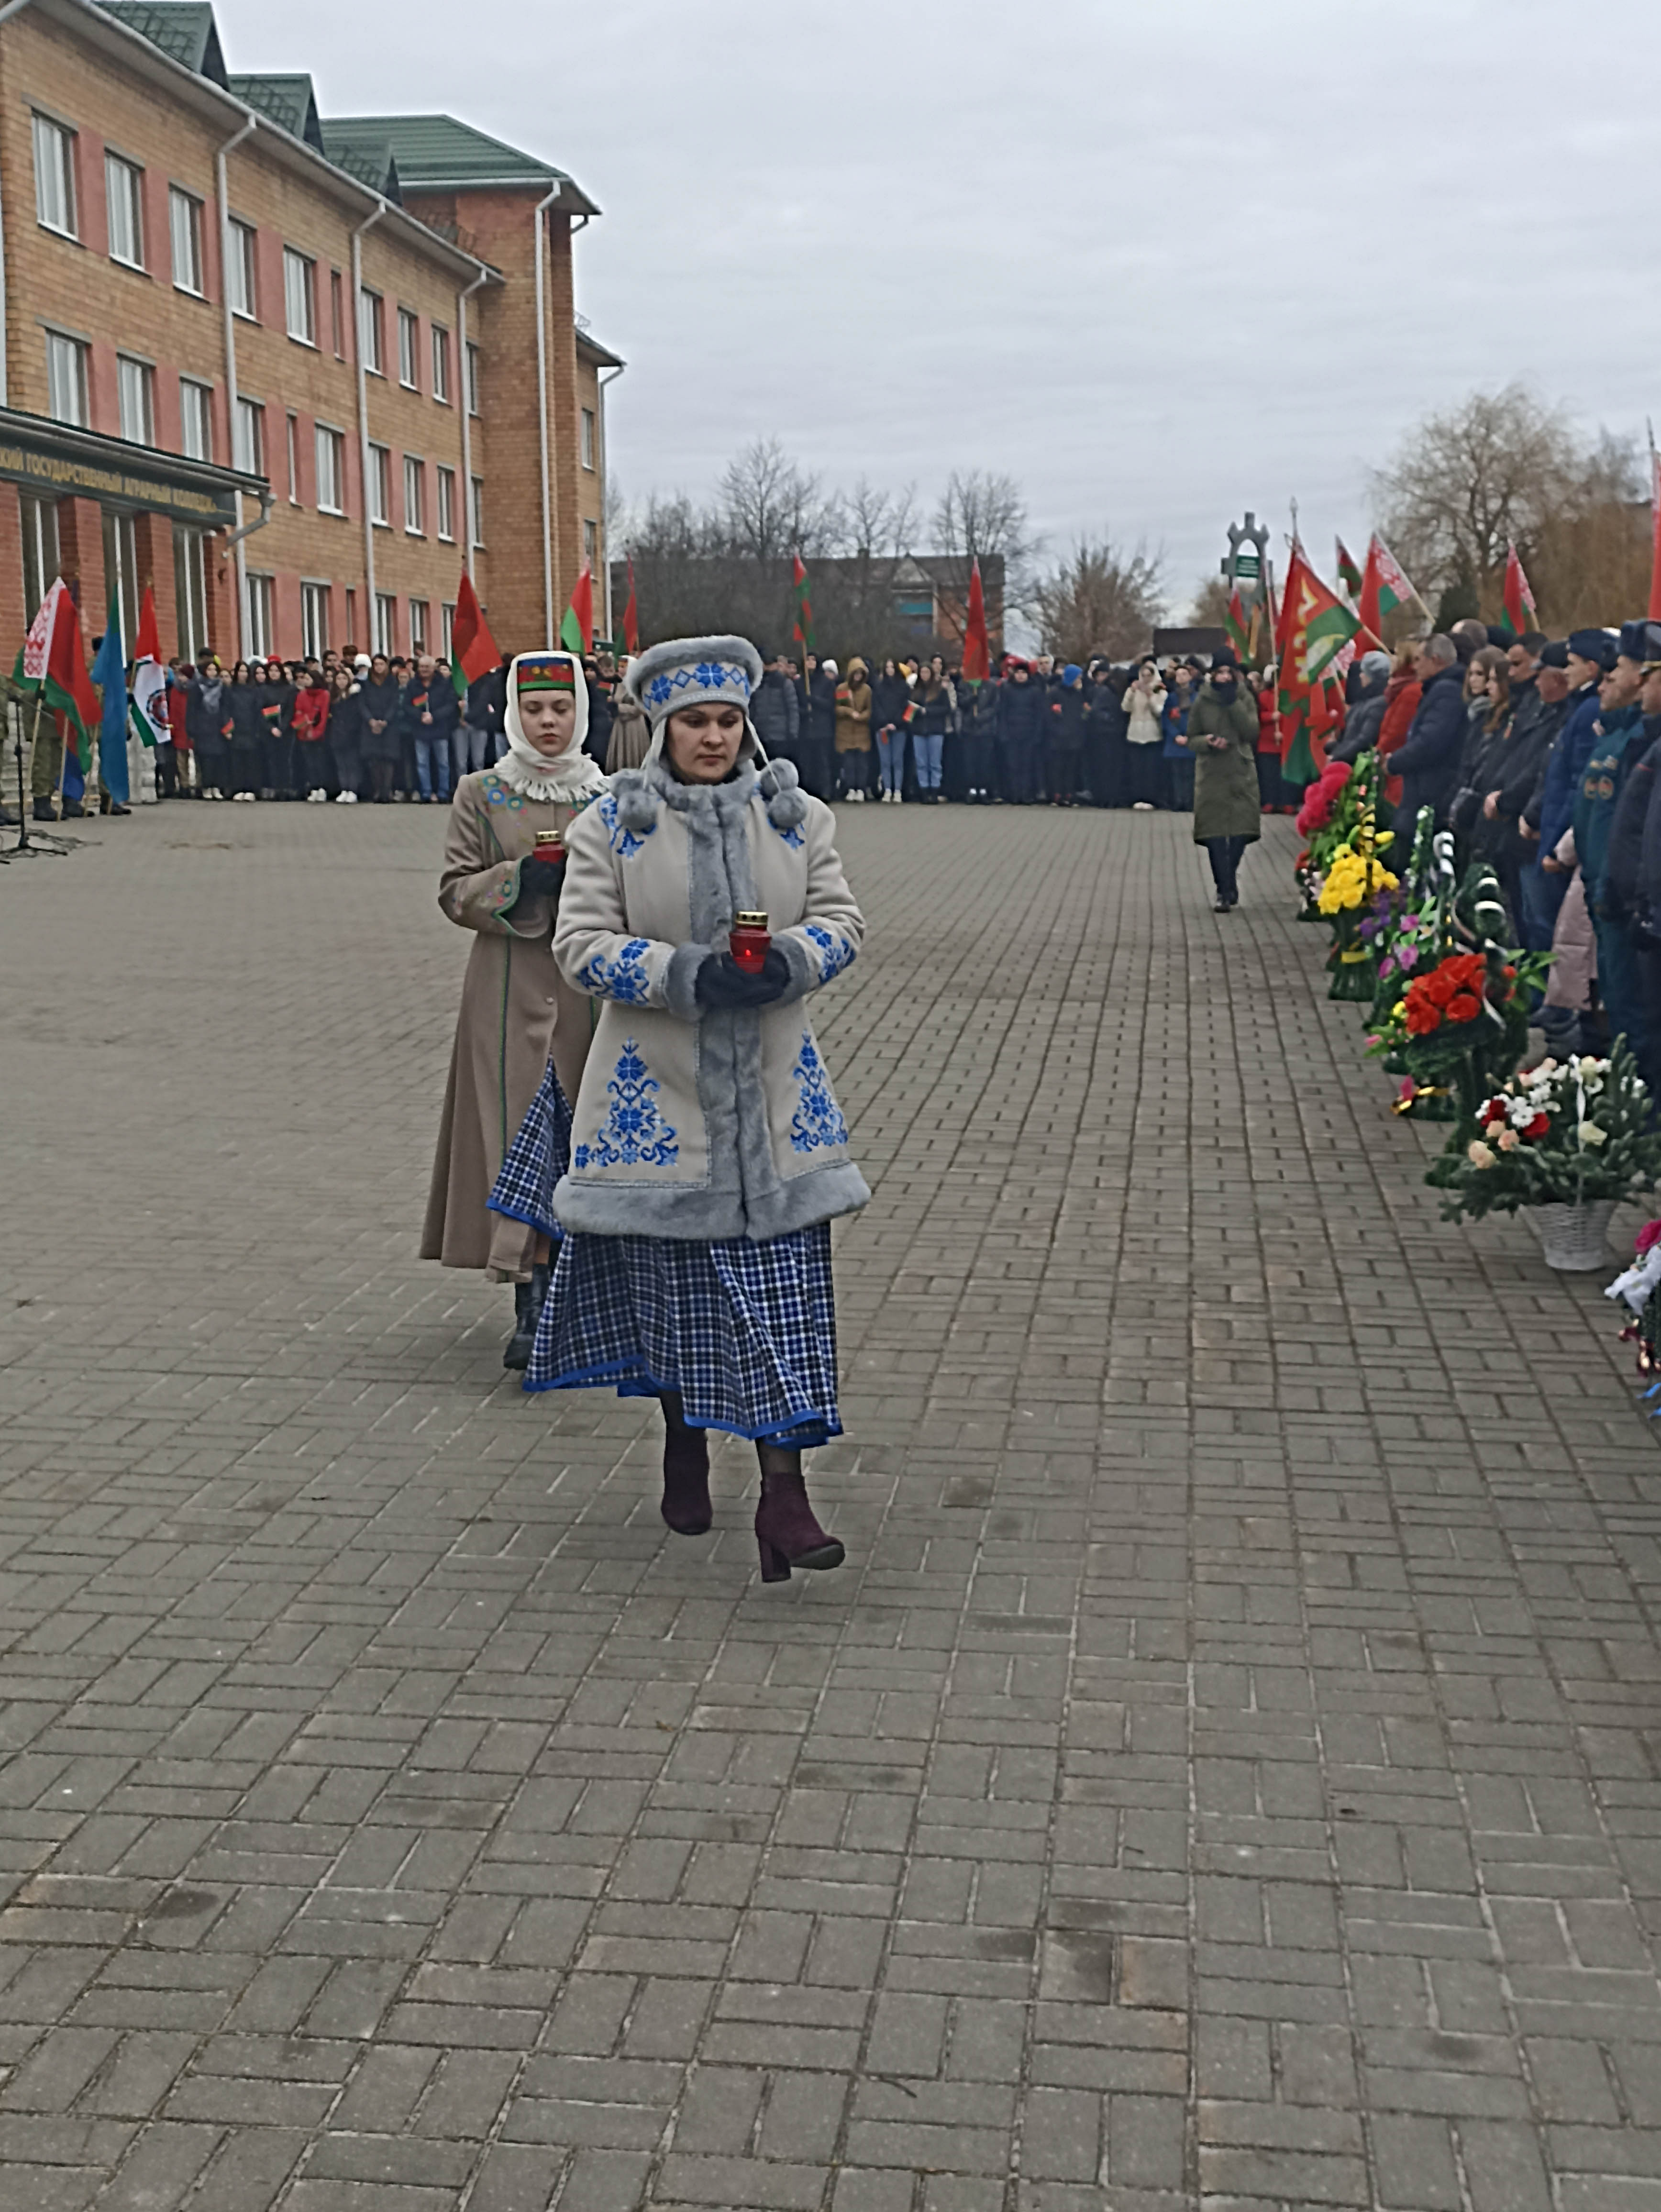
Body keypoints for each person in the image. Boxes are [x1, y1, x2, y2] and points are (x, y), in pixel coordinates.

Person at [529, 634, 867, 1580]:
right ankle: (683, 1432)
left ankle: (784, 1493)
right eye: (694, 722)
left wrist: (793, 964)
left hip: (774, 1108)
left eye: (726, 720)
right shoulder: (615, 823)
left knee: (783, 1307)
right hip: (660, 1101)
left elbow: (843, 920)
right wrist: (683, 973)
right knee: (683, 1299)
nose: (712, 737)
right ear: (662, 728)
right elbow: (581, 943)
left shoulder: (795, 818)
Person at [422, 650, 605, 1365]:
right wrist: (520, 879)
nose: (549, 722)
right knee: (515, 1136)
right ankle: (528, 1297)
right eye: (535, 710)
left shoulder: (609, 796)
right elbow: (453, 891)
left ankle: (580, 1294)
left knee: (583, 1137)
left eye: (561, 708)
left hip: (589, 991)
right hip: (505, 988)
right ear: (513, 715)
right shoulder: (483, 792)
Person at [1187, 649, 1261, 911]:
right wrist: (1207, 742)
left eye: (1230, 672)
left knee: (1241, 830)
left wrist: (1233, 704)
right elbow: (1191, 736)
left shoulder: (1244, 697)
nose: (1225, 677)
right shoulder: (1203, 700)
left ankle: (1230, 877)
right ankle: (1223, 889)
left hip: (1240, 771)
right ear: (1213, 674)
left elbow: (1251, 730)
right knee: (1215, 833)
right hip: (1212, 773)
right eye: (1221, 672)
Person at [1389, 635, 1466, 829]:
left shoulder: (1447, 691)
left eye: (1418, 660)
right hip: (1423, 785)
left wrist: (1395, 761)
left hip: (1429, 788)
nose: (1414, 667)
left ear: (1436, 660)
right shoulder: (1438, 688)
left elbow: (1430, 741)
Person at [402, 653, 456, 803]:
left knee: (443, 764)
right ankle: (426, 792)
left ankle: (443, 793)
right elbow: (407, 705)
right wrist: (419, 716)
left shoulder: (444, 683)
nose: (424, 670)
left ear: (434, 668)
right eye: (421, 667)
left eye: (427, 667)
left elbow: (451, 704)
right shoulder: (413, 684)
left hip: (440, 728)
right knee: (422, 763)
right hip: (420, 729)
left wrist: (435, 716)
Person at [995, 658, 1043, 803]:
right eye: (1018, 673)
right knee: (1012, 766)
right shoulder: (1007, 689)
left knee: (1027, 766)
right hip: (1011, 734)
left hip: (1029, 733)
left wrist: (1037, 734)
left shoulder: (1035, 691)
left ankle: (1026, 794)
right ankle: (1014, 795)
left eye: (1024, 673)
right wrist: (1003, 732)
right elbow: (1002, 712)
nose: (1021, 676)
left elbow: (1040, 715)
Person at [1121, 658, 1165, 809]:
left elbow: (1159, 712)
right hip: (1135, 734)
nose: (1146, 679)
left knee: (1150, 770)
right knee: (1136, 769)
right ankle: (1137, 797)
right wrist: (1132, 692)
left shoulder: (1159, 689)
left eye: (1149, 676)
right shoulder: (1134, 689)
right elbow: (1125, 708)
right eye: (1143, 675)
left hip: (1152, 735)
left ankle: (1150, 798)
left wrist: (1150, 697)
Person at [357, 653, 402, 802]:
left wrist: (385, 721)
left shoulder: (392, 683)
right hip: (370, 725)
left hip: (389, 726)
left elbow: (395, 703)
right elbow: (362, 704)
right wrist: (371, 720)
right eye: (376, 664)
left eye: (381, 664)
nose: (379, 667)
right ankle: (377, 791)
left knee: (388, 759)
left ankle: (387, 791)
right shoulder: (366, 684)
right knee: (374, 759)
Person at [186, 659, 229, 801]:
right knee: (206, 761)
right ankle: (206, 787)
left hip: (218, 727)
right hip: (203, 728)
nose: (213, 673)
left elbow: (225, 708)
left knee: (219, 759)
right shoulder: (197, 687)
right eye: (210, 670)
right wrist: (192, 729)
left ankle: (216, 787)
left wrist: (226, 726)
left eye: (215, 670)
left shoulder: (222, 687)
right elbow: (191, 710)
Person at [1045, 664, 1087, 805]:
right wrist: (1057, 730)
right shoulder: (1054, 693)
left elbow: (1080, 716)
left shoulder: (1078, 695)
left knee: (1071, 769)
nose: (1080, 681)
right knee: (1057, 768)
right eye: (1078, 678)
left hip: (1074, 738)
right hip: (1058, 739)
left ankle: (1069, 794)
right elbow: (1048, 716)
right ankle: (1057, 795)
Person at [910, 660, 951, 802]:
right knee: (921, 763)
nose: (925, 675)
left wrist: (929, 711)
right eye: (922, 672)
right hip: (919, 731)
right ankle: (923, 790)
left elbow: (947, 709)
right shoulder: (915, 691)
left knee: (935, 763)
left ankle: (934, 791)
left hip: (935, 730)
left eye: (927, 672)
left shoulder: (940, 690)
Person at [833, 656, 874, 801]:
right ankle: (851, 789)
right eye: (855, 673)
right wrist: (850, 713)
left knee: (862, 765)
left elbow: (869, 710)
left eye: (860, 674)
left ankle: (861, 789)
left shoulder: (867, 690)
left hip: (862, 732)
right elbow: (839, 708)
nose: (858, 677)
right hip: (846, 732)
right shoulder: (842, 689)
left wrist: (861, 717)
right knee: (849, 764)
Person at [751, 652, 800, 768]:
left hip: (780, 735)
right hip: (760, 734)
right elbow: (752, 708)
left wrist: (793, 732)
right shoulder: (757, 684)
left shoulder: (784, 683)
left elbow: (793, 709)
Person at [871, 657, 909, 801]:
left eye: (892, 667)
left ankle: (898, 790)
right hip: (882, 729)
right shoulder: (879, 686)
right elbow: (876, 706)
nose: (890, 670)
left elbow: (905, 707)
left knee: (897, 760)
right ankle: (887, 789)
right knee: (885, 761)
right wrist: (885, 723)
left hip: (899, 728)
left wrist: (895, 722)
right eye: (887, 667)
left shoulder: (904, 687)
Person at [258, 658, 297, 798]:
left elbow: (291, 710)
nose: (274, 674)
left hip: (285, 731)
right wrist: (271, 728)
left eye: (276, 671)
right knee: (271, 760)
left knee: (285, 760)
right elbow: (259, 711)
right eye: (271, 671)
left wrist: (282, 727)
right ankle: (274, 788)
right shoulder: (263, 689)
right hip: (268, 731)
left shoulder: (289, 689)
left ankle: (285, 789)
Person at [293, 664, 332, 801]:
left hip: (319, 735)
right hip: (304, 734)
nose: (305, 681)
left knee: (320, 763)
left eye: (308, 679)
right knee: (310, 763)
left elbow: (323, 716)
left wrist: (316, 733)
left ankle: (322, 788)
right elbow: (298, 713)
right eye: (305, 679)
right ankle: (314, 788)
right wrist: (304, 728)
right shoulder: (302, 695)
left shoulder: (324, 694)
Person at [960, 671, 998, 804]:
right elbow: (961, 703)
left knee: (985, 762)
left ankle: (983, 790)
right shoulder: (965, 685)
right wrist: (971, 699)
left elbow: (994, 707)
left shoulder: (991, 686)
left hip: (985, 731)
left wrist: (981, 718)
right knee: (970, 762)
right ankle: (971, 790)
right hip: (969, 730)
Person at [325, 664, 360, 802]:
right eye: (338, 679)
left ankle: (353, 790)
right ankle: (344, 789)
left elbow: (356, 716)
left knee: (352, 764)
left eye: (343, 678)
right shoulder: (333, 697)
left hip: (351, 735)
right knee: (341, 765)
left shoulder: (354, 696)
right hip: (336, 734)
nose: (341, 681)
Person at [605, 671, 652, 772]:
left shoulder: (639, 685)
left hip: (635, 726)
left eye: (624, 667)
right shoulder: (617, 684)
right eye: (620, 667)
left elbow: (642, 709)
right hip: (620, 725)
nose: (621, 670)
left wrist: (619, 708)